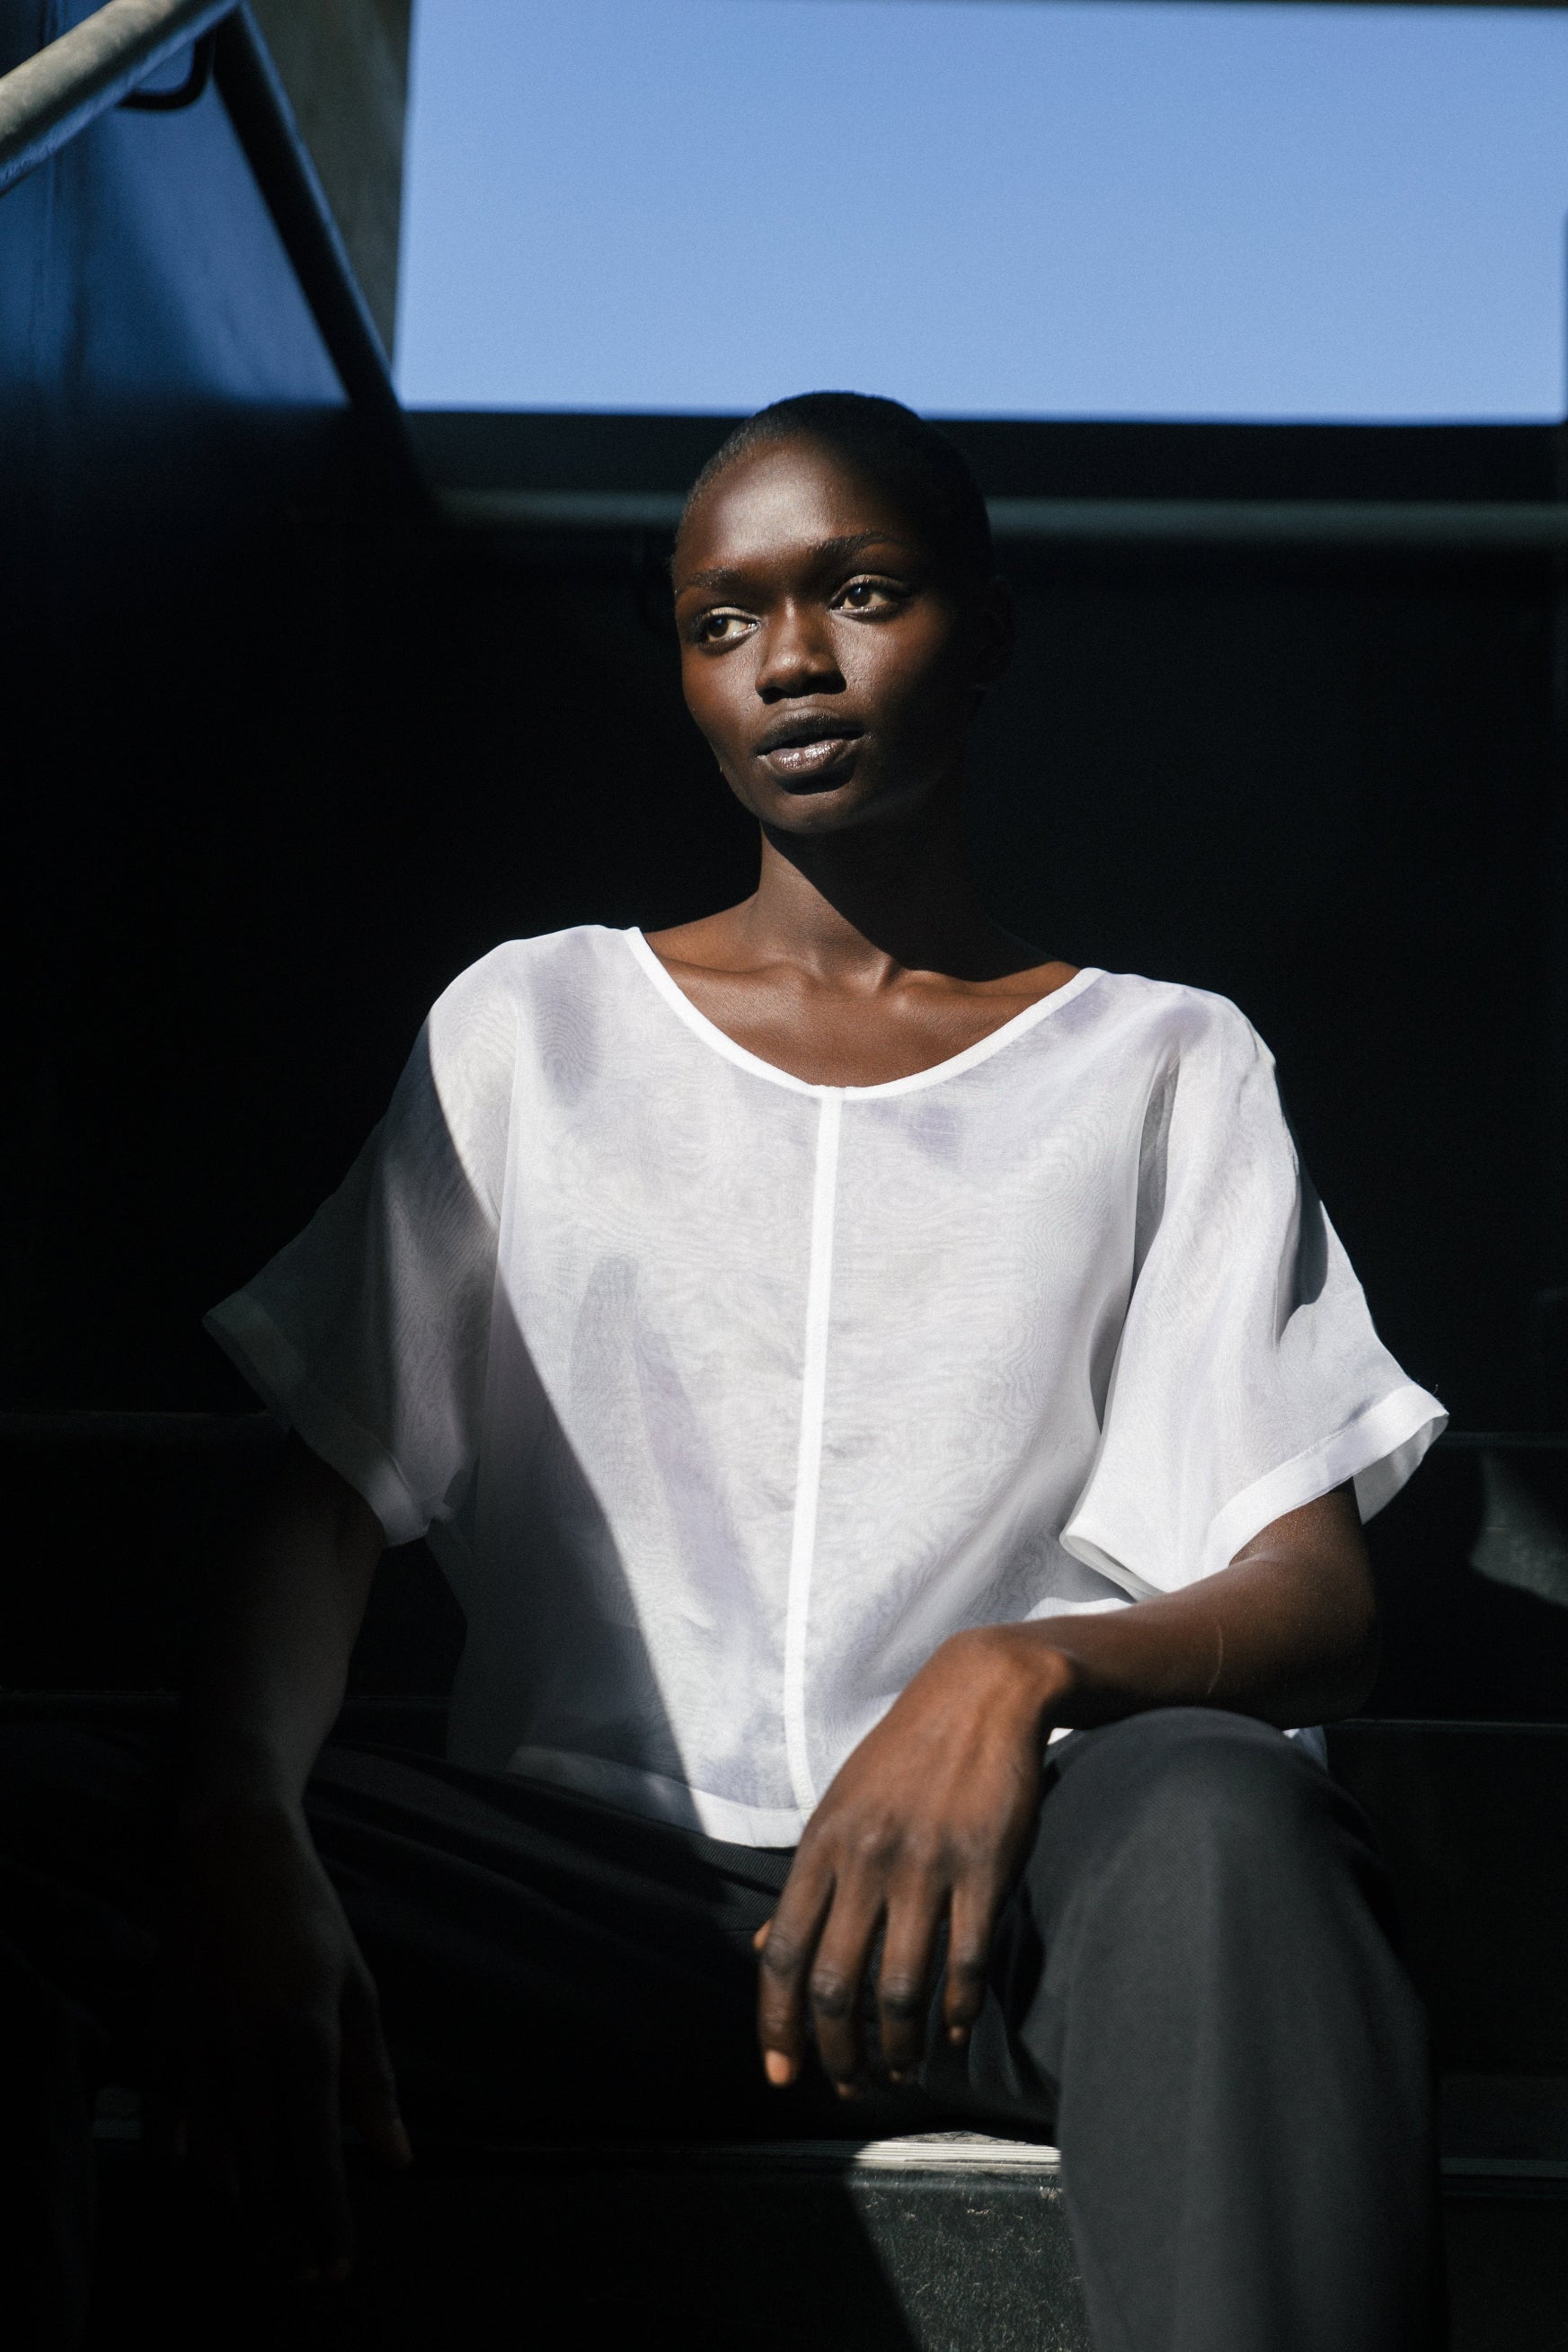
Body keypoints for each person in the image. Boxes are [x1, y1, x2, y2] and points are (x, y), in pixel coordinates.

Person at [5, 394, 1447, 2351]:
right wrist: (246, 1829)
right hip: (582, 1920)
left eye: (859, 593)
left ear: (985, 631)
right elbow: (322, 1499)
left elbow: (1314, 1593)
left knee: (1232, 1819)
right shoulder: (532, 1027)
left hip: (997, 1912)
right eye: (722, 620)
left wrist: (1011, 1668)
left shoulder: (1164, 1062)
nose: (790, 660)